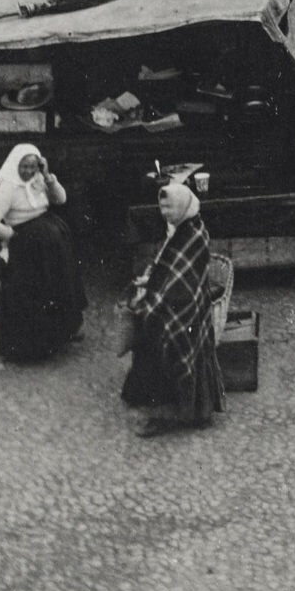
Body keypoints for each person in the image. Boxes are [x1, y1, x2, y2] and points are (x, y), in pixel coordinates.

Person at [121, 169, 226, 434]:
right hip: (182, 304)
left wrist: (153, 302)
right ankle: (187, 408)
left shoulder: (192, 235)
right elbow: (168, 266)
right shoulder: (184, 226)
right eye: (163, 209)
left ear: (182, 208)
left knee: (164, 347)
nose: (165, 214)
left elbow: (181, 280)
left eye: (170, 209)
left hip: (184, 309)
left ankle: (170, 414)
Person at [0, 143, 84, 365]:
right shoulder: (8, 189)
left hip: (52, 244)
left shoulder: (40, 180)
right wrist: (11, 235)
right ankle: (31, 348)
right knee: (32, 294)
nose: (29, 171)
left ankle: (62, 333)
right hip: (28, 247)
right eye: (24, 167)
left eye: (33, 166)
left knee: (59, 286)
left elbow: (61, 200)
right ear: (15, 165)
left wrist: (48, 176)